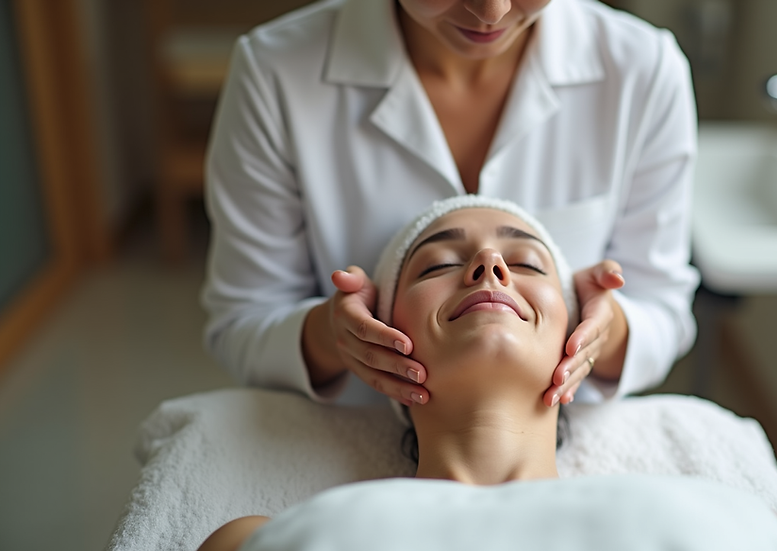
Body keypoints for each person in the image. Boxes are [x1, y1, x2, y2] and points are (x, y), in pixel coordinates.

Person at [196, 198, 777, 551]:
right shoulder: (253, 543)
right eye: (439, 262)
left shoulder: (739, 526)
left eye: (526, 261)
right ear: (376, 336)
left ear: (577, 333)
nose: (488, 264)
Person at [202, 0, 700, 410]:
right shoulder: (276, 73)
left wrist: (608, 335)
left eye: (527, 259)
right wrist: (329, 337)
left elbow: (664, 311)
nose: (492, 11)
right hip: (353, 435)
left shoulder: (644, 73)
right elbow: (243, 323)